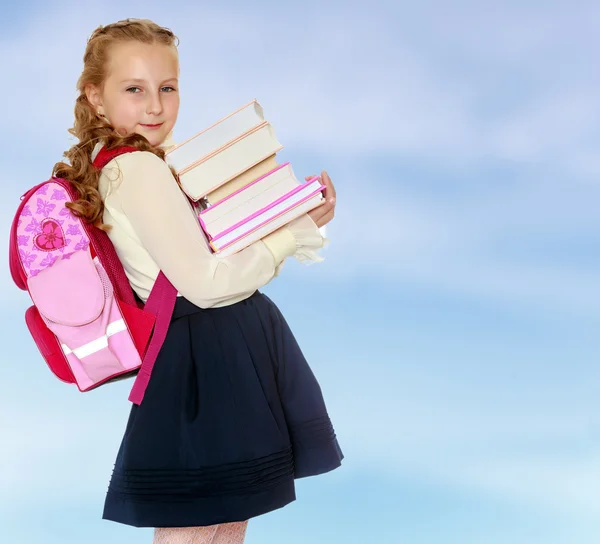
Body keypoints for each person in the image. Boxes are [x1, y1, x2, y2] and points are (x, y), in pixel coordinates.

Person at [52, 18, 343, 544]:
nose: (156, 107)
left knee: (222, 518)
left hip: (199, 349)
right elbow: (205, 284)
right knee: (204, 524)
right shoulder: (137, 168)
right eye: (134, 89)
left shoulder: (112, 163)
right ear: (96, 97)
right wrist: (289, 238)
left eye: (167, 88)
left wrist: (284, 217)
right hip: (209, 351)